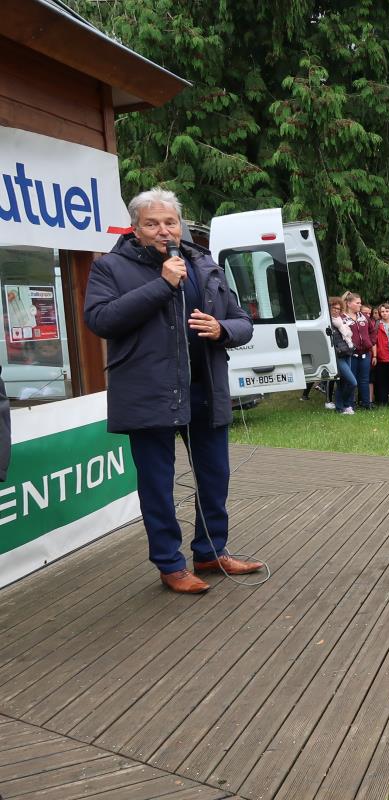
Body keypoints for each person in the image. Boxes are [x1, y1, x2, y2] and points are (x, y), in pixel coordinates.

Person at [83, 187, 259, 594]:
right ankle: (169, 564)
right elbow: (101, 320)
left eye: (170, 222)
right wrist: (162, 284)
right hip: (149, 393)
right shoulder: (110, 267)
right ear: (135, 228)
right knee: (158, 485)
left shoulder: (204, 264)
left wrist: (222, 329)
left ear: (180, 225)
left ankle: (210, 551)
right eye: (152, 224)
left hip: (204, 389)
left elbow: (242, 321)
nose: (164, 230)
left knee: (215, 476)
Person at [342, 292, 376, 409]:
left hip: (365, 353)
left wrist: (371, 342)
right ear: (349, 304)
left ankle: (366, 403)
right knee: (351, 380)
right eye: (357, 303)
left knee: (365, 379)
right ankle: (350, 404)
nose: (360, 305)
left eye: (360, 303)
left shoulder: (364, 316)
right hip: (351, 354)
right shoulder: (342, 318)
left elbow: (372, 331)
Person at [372, 303, 389, 407]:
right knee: (381, 380)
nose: (385, 313)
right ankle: (382, 401)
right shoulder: (376, 325)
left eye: (387, 311)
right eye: (382, 311)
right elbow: (374, 341)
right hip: (381, 356)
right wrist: (375, 355)